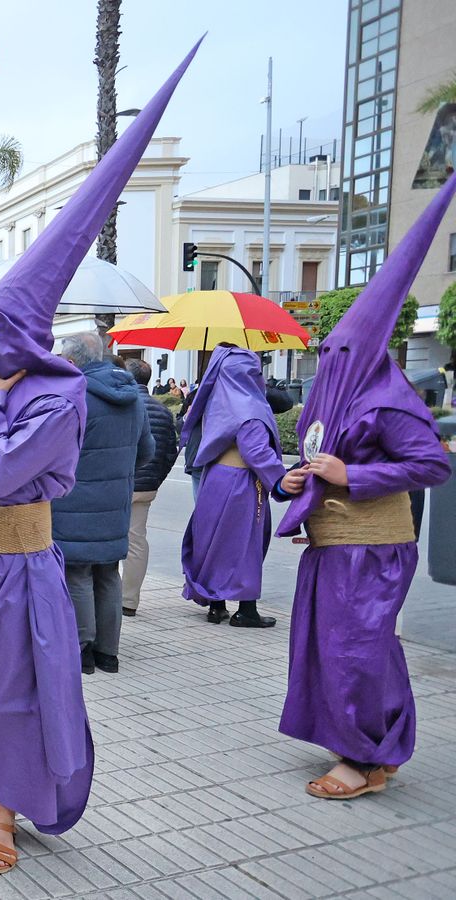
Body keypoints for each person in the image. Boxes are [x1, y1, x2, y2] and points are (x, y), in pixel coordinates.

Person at [0, 43, 196, 873]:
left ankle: (8, 811)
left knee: (21, 691)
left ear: (19, 337)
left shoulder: (61, 398)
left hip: (24, 568)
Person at [275, 176, 455, 801]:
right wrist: (295, 480)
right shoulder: (338, 393)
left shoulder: (391, 400)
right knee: (344, 649)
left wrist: (352, 476)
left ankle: (361, 759)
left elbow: (434, 465)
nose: (332, 358)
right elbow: (316, 458)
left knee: (356, 649)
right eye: (329, 349)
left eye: (343, 349)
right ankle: (378, 744)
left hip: (372, 549)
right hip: (332, 547)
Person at [51, 334, 152, 675]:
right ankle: (110, 653)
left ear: (73, 362)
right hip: (116, 501)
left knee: (77, 571)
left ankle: (83, 650)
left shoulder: (75, 396)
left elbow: (55, 451)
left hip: (74, 501)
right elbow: (147, 451)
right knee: (109, 572)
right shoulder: (133, 397)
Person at [179, 344, 286, 628]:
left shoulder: (218, 400)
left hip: (216, 478)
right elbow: (256, 452)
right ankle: (246, 610)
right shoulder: (249, 406)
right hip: (243, 483)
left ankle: (216, 604)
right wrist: (282, 480)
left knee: (213, 542)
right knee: (245, 545)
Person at [121, 358, 180, 617]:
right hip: (146, 486)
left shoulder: (121, 403)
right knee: (136, 540)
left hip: (120, 482)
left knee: (110, 538)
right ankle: (129, 600)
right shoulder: (163, 411)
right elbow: (170, 451)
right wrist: (156, 479)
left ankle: (107, 593)